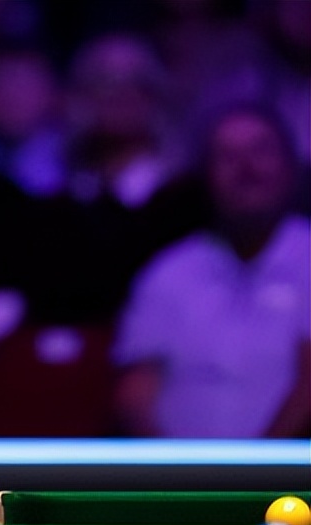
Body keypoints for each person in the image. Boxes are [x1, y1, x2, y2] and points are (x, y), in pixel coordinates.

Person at [112, 103, 310, 438]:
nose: (246, 168)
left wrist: (257, 466)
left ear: (291, 166)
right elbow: (136, 391)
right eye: (227, 156)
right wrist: (168, 467)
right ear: (205, 176)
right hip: (176, 467)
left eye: (261, 150)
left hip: (291, 468)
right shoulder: (168, 270)